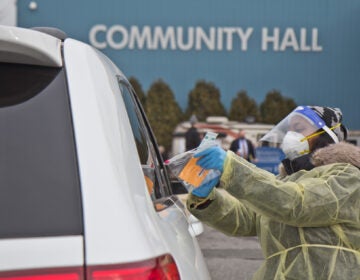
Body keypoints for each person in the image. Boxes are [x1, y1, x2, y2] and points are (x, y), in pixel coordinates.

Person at [186, 105, 360, 279]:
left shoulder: (347, 176)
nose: (290, 135)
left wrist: (233, 168)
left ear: (325, 135)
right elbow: (246, 218)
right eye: (289, 129)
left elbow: (297, 203)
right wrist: (207, 200)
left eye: (298, 129)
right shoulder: (285, 181)